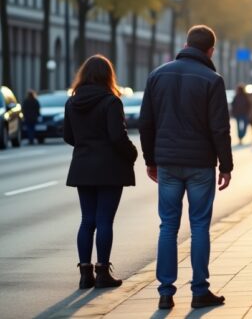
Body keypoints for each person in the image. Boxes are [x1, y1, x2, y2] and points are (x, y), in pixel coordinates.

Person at [139, 25, 232, 310]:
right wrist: (226, 166)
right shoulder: (212, 80)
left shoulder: (157, 75)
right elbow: (220, 129)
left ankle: (166, 292)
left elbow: (145, 122)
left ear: (185, 44)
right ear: (210, 50)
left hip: (167, 163)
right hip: (200, 164)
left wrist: (150, 160)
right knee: (200, 225)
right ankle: (200, 290)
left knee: (168, 226)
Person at [64, 55, 137, 290]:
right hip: (109, 168)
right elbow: (117, 136)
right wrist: (133, 153)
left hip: (83, 167)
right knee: (105, 220)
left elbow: (68, 136)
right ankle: (103, 272)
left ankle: (85, 274)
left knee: (87, 220)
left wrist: (84, 145)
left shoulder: (72, 103)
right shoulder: (111, 102)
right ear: (108, 76)